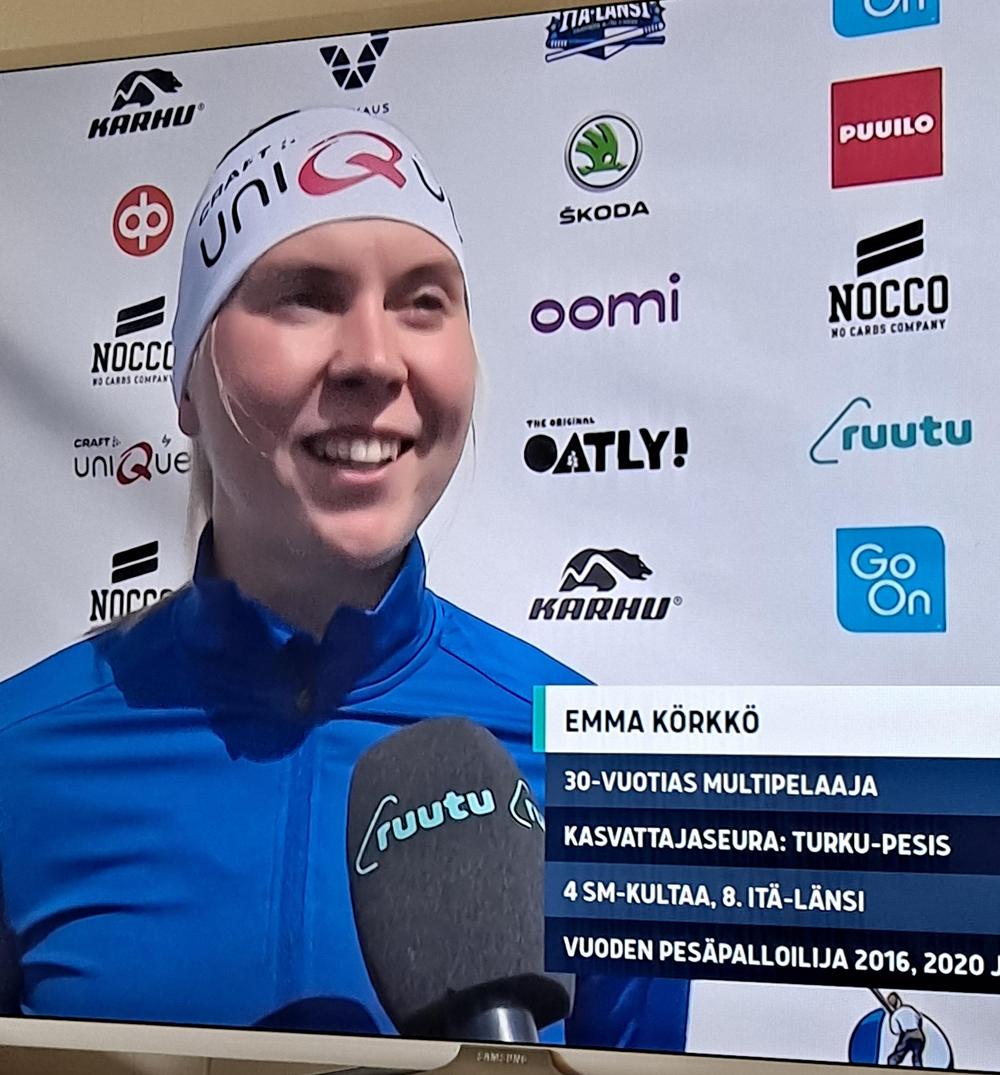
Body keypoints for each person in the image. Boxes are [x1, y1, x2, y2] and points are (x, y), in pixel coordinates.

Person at [0, 107, 689, 1049]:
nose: (373, 358)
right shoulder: (20, 757)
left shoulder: (606, 774)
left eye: (423, 301)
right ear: (188, 379)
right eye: (305, 296)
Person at [886, 993, 925, 1068]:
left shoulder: (895, 1015)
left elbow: (896, 1031)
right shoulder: (910, 1009)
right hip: (918, 1035)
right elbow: (919, 1018)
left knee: (893, 1059)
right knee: (917, 1058)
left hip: (907, 1036)